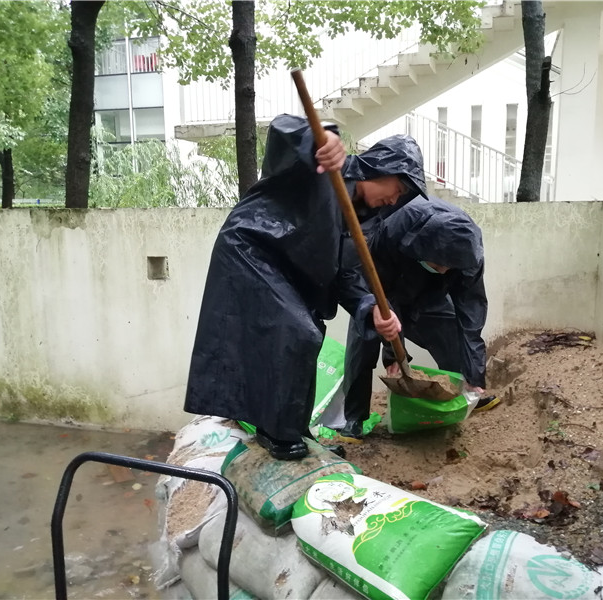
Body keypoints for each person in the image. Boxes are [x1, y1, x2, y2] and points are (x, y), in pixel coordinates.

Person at [184, 114, 428, 460]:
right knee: (298, 330)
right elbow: (283, 136)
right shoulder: (327, 167)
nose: (395, 200)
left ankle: (294, 426)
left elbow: (345, 275)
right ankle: (277, 431)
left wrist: (370, 307)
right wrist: (320, 141)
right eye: (398, 189)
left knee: (311, 329)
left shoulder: (368, 220)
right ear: (381, 168)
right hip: (252, 247)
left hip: (287, 270)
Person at [339, 195, 497, 440]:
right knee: (363, 342)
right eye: (438, 264)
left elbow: (471, 311)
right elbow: (380, 289)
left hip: (429, 295)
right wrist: (392, 351)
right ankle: (354, 419)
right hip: (383, 292)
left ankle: (468, 393)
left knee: (451, 331)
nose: (444, 270)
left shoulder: (467, 252)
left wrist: (475, 371)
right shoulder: (394, 228)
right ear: (425, 248)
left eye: (449, 267)